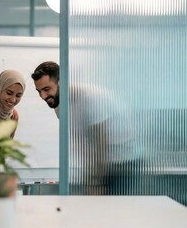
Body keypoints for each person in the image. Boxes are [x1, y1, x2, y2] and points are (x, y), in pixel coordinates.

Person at [31, 61, 140, 195]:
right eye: (39, 91)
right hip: (103, 164)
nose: (43, 96)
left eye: (47, 89)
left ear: (61, 82)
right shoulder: (59, 104)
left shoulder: (90, 99)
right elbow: (82, 142)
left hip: (125, 166)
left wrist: (96, 181)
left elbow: (101, 144)